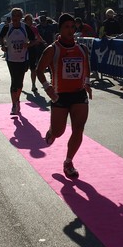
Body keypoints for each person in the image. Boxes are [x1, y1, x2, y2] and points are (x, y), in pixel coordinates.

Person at [36, 13, 92, 179]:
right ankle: (52, 132)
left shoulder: (82, 49)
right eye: (66, 27)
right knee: (59, 132)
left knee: (78, 129)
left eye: (72, 27)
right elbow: (39, 70)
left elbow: (87, 68)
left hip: (79, 95)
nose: (70, 30)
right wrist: (48, 89)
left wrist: (87, 83)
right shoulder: (52, 49)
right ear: (60, 29)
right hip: (59, 96)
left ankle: (68, 162)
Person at [0, 7, 35, 115]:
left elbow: (34, 40)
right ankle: (14, 104)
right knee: (13, 81)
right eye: (13, 15)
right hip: (11, 58)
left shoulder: (26, 28)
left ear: (21, 17)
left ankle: (17, 99)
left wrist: (28, 44)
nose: (15, 18)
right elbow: (1, 37)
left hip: (23, 58)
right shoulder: (7, 27)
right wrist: (3, 46)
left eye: (17, 16)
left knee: (20, 81)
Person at [24, 13, 45, 92]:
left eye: (30, 20)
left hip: (32, 50)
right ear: (25, 21)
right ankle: (19, 82)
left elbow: (38, 37)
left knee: (33, 68)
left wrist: (43, 42)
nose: (29, 21)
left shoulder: (34, 28)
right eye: (28, 20)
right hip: (24, 51)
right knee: (24, 69)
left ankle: (33, 85)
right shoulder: (23, 29)